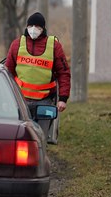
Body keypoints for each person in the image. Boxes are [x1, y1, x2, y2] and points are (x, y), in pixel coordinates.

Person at [5, 12, 70, 142]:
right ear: (27, 27)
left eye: (38, 27)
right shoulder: (17, 45)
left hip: (45, 100)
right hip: (20, 100)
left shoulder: (54, 46)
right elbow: (8, 72)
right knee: (18, 137)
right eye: (31, 26)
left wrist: (63, 98)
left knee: (41, 139)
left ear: (43, 29)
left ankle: (40, 160)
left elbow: (64, 73)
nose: (34, 30)